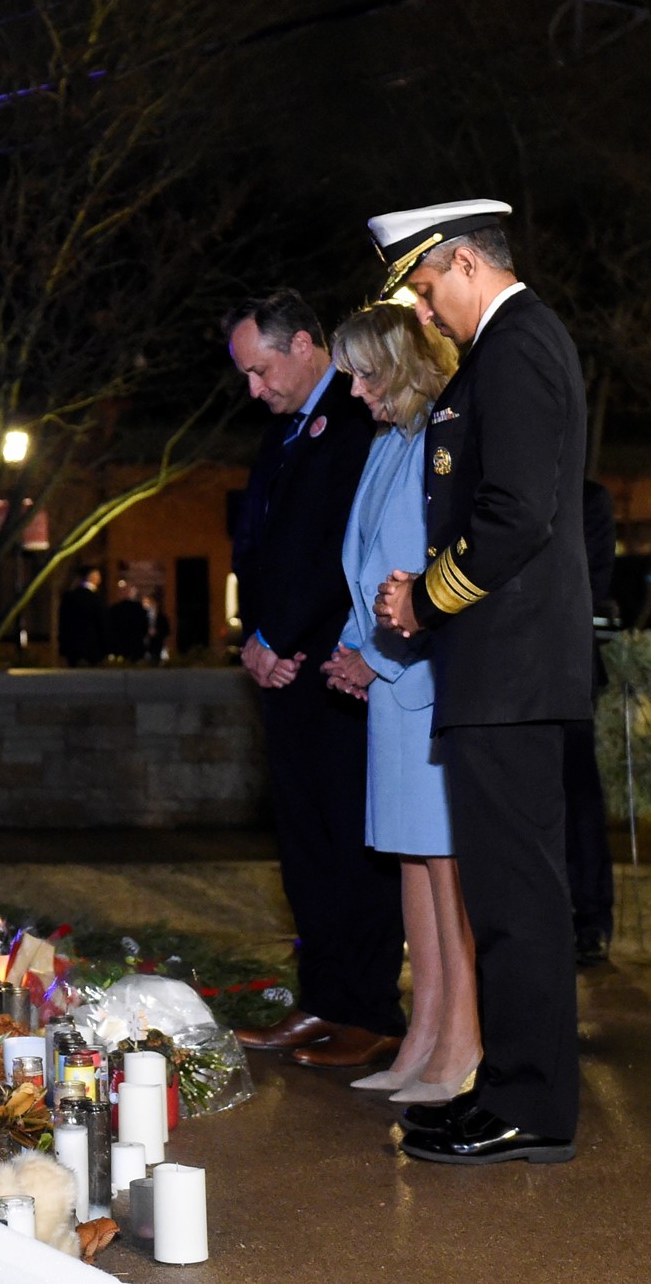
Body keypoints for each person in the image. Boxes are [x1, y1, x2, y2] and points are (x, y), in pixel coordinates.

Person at [370, 198, 590, 1165]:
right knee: (505, 900)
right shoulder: (502, 352)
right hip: (498, 673)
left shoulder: (521, 346)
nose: (423, 313)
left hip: (513, 672)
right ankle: (510, 1091)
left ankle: (531, 1106)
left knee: (518, 903)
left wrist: (426, 598)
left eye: (424, 289)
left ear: (463, 261)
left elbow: (514, 516)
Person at [224, 289, 405, 1068]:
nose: (254, 390)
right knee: (302, 844)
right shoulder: (287, 430)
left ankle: (369, 1009)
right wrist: (254, 640)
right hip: (285, 665)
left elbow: (345, 549)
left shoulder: (358, 417)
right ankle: (324, 999)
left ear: (303, 344)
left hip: (338, 666)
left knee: (349, 841)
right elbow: (258, 545)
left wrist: (284, 637)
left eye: (261, 371)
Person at [318, 303, 480, 1106]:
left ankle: (461, 1042)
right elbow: (367, 570)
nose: (351, 389)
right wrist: (357, 648)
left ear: (403, 367)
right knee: (412, 862)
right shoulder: (391, 444)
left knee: (445, 869)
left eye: (363, 372)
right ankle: (424, 1033)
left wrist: (375, 656)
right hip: (393, 688)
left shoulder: (440, 447)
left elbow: (430, 575)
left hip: (423, 684)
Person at [567, 480, 616, 966]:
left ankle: (591, 915)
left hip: (569, 667)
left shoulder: (589, 498)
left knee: (578, 794)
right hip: (510, 670)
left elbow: (595, 584)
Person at [57, 565, 108, 666]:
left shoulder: (69, 597)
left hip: (72, 647)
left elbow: (63, 623)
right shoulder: (97, 599)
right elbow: (102, 624)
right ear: (92, 576)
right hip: (93, 647)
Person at [104, 581, 149, 661]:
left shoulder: (114, 609)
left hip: (119, 645)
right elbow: (145, 626)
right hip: (135, 645)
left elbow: (109, 627)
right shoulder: (139, 608)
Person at [143, 588, 171, 663]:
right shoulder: (144, 619)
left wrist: (157, 632)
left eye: (150, 603)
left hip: (159, 646)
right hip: (146, 649)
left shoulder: (162, 618)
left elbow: (167, 632)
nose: (148, 606)